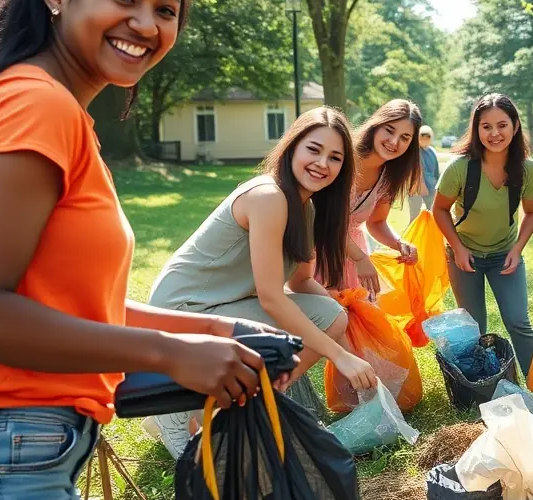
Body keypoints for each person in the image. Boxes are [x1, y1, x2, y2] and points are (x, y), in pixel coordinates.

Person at [0, 0, 293, 500]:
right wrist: (166, 353)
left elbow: (66, 303)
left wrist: (212, 333)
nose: (146, 24)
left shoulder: (57, 111)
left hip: (36, 453)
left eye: (167, 7)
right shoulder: (39, 105)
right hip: (14, 457)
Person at [147, 107, 378, 456]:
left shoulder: (307, 209)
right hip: (183, 310)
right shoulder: (268, 197)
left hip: (223, 307)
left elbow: (300, 283)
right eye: (313, 149)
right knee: (323, 319)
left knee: (331, 314)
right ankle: (186, 413)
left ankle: (240, 405)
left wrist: (346, 319)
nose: (322, 163)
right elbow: (272, 298)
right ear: (292, 148)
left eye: (335, 157)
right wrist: (339, 356)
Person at [432, 93, 533, 375]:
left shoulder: (528, 170)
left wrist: (517, 250)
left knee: (519, 321)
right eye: (486, 126)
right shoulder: (459, 168)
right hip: (464, 255)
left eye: (502, 125)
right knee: (474, 327)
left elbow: (532, 212)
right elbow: (440, 210)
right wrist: (457, 248)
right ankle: (480, 383)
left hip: (504, 255)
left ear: (515, 126)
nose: (495, 133)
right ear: (476, 129)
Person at [323, 99, 422, 297]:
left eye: (405, 137)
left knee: (356, 317)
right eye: (389, 130)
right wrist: (360, 258)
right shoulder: (342, 157)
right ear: (376, 125)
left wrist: (400, 244)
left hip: (352, 256)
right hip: (316, 248)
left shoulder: (388, 176)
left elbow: (376, 222)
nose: (394, 142)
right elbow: (324, 220)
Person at [408, 124, 440, 222]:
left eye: (428, 136)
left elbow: (436, 171)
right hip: (416, 189)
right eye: (422, 136)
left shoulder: (432, 151)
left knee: (432, 216)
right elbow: (412, 170)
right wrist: (420, 184)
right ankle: (410, 237)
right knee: (415, 217)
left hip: (431, 188)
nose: (425, 139)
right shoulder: (414, 152)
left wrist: (438, 186)